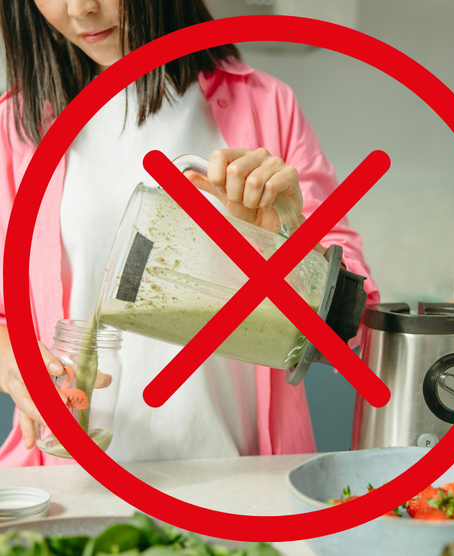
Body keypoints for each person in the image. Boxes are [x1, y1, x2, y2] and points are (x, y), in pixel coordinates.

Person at [0, 0, 379, 467]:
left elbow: (353, 326)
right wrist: (9, 359)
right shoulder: (15, 129)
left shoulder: (266, 106)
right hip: (73, 480)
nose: (82, 8)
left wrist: (289, 240)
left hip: (240, 481)